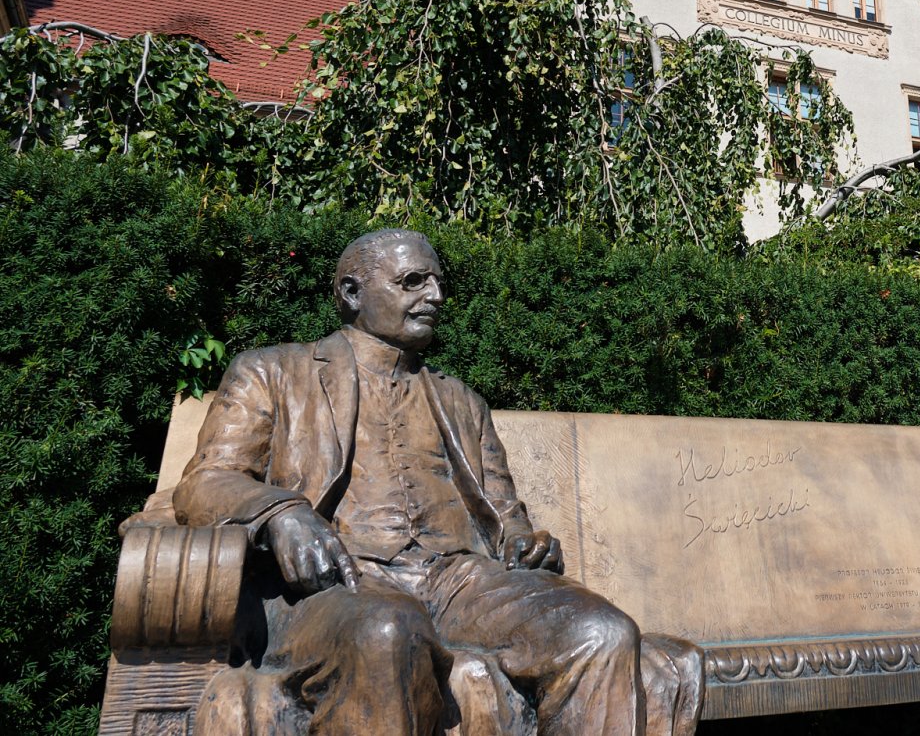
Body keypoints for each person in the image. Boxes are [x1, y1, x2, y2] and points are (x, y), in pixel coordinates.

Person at [174, 229, 701, 735]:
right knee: (386, 631)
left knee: (601, 633)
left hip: (461, 584)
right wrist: (281, 513)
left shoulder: (462, 401)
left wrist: (524, 545)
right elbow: (206, 482)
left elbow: (506, 518)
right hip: (345, 584)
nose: (436, 295)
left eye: (438, 282)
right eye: (413, 281)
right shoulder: (272, 372)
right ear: (351, 292)